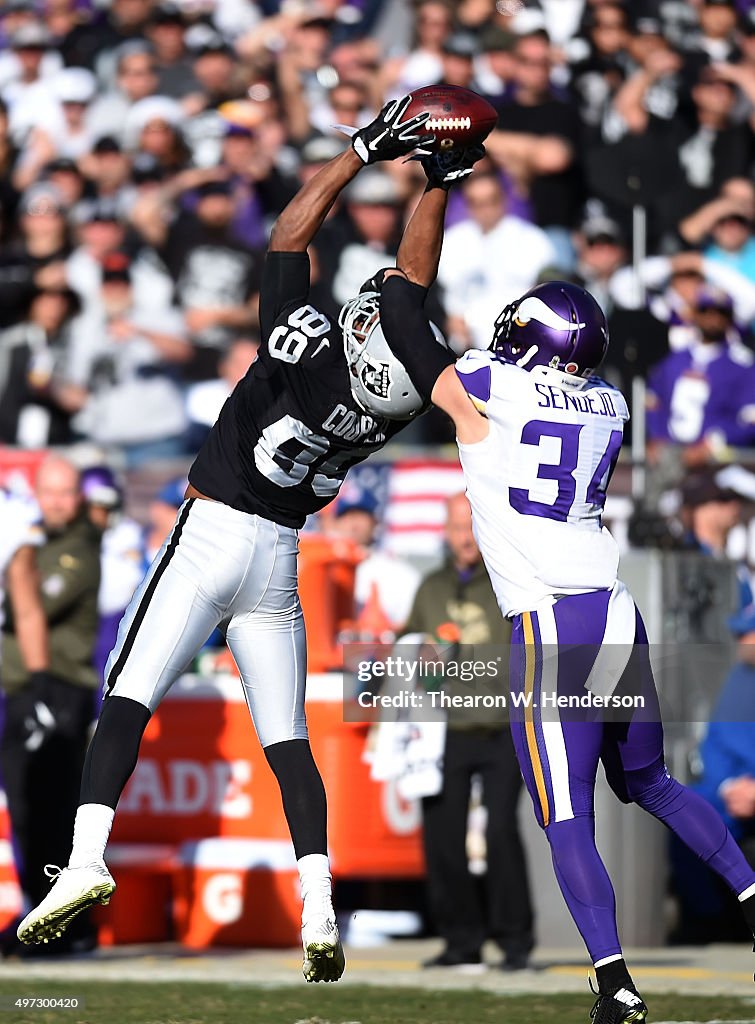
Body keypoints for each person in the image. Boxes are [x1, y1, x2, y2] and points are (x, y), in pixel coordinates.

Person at [15, 97, 460, 985]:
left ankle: (88, 854)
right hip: (279, 564)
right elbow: (410, 301)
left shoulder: (308, 350)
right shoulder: (397, 402)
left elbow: (289, 237)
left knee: (127, 696)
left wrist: (359, 155)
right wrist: (437, 183)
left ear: (359, 328)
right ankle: (319, 902)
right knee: (287, 739)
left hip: (211, 533)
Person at [378, 196, 755, 1021]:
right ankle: (749, 891)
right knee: (649, 781)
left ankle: (614, 981)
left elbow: (420, 356)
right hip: (615, 613)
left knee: (564, 813)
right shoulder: (611, 405)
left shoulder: (492, 383)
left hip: (548, 623)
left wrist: (397, 293)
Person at [404, 493, 533, 972]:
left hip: (502, 725)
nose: (464, 535)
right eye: (456, 526)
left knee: (501, 830)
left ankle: (516, 942)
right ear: (445, 531)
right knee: (442, 835)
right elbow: (408, 646)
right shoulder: (431, 587)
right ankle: (461, 942)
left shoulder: (508, 581)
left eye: (471, 525)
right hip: (447, 728)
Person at [2, 456, 101, 955]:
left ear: (79, 496)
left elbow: (33, 602)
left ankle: (72, 926)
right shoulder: (31, 540)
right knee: (24, 810)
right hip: (23, 690)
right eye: (50, 492)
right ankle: (36, 913)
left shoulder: (79, 547)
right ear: (36, 494)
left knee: (57, 812)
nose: (59, 502)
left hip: (61, 689)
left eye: (67, 492)